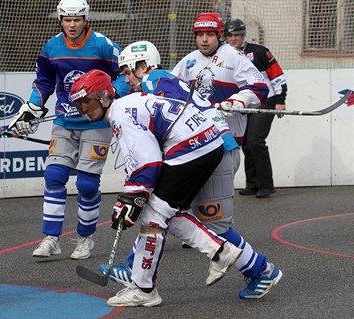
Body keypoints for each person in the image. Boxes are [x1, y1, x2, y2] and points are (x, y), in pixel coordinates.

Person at [104, 14, 283, 300]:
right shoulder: (183, 64)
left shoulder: (158, 79)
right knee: (163, 207)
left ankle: (262, 270)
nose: (127, 81)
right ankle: (135, 269)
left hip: (218, 148)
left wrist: (238, 100)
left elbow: (260, 87)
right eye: (199, 33)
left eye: (128, 73)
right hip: (200, 149)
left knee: (214, 225)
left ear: (143, 66)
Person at [70, 69, 242, 307]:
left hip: (190, 148)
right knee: (165, 210)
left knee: (153, 216)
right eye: (78, 104)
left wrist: (130, 199)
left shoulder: (119, 115)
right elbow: (144, 162)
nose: (83, 109)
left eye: (86, 101)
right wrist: (131, 194)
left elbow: (149, 163)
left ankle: (145, 289)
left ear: (103, 97)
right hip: (207, 143)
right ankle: (218, 251)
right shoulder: (127, 105)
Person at [7, 0, 121, 260]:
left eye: (77, 19)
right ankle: (51, 238)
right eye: (67, 19)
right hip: (64, 121)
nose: (72, 24)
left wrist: (111, 100)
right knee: (54, 176)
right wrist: (31, 109)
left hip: (95, 122)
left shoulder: (103, 45)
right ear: (60, 19)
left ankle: (85, 238)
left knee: (87, 183)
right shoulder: (52, 47)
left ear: (85, 19)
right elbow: (44, 82)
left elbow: (123, 74)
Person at [225, 18, 287, 198]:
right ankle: (252, 184)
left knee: (255, 141)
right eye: (230, 35)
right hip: (244, 103)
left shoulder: (260, 52)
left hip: (266, 101)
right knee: (245, 143)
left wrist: (280, 100)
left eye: (237, 35)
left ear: (243, 35)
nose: (233, 38)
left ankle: (267, 185)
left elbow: (277, 76)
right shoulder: (225, 55)